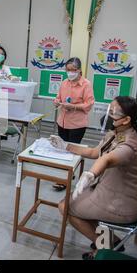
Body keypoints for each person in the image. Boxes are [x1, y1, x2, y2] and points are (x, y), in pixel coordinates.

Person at [50, 96, 137, 259]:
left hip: (121, 202)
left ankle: (107, 247)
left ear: (126, 119)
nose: (108, 113)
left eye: (113, 112)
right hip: (108, 192)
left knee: (66, 208)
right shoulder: (116, 132)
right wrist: (66, 146)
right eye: (109, 109)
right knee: (72, 202)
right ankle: (111, 240)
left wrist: (91, 174)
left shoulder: (129, 144)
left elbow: (107, 159)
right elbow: (96, 152)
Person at [52, 57, 95, 191]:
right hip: (62, 122)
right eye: (68, 70)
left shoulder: (86, 84)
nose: (70, 73)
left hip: (77, 124)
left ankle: (65, 179)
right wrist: (57, 101)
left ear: (79, 70)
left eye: (73, 70)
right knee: (62, 149)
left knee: (72, 151)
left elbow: (89, 104)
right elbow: (58, 97)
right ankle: (63, 175)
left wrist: (74, 107)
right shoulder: (64, 82)